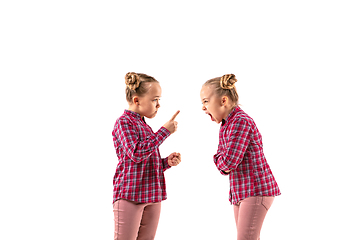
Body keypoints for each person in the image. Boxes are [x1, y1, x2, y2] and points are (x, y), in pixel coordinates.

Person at [200, 74, 281, 240]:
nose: (203, 107)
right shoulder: (226, 124)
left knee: (246, 237)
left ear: (223, 101)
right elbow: (225, 166)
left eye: (206, 101)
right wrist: (221, 160)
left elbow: (228, 162)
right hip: (241, 191)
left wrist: (217, 159)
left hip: (255, 189)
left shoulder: (240, 121)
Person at [112, 72, 181, 240]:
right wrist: (164, 132)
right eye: (154, 99)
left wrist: (166, 162)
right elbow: (136, 154)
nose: (158, 105)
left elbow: (144, 161)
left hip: (152, 194)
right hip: (130, 195)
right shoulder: (124, 123)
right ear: (137, 100)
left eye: (159, 100)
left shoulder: (144, 126)